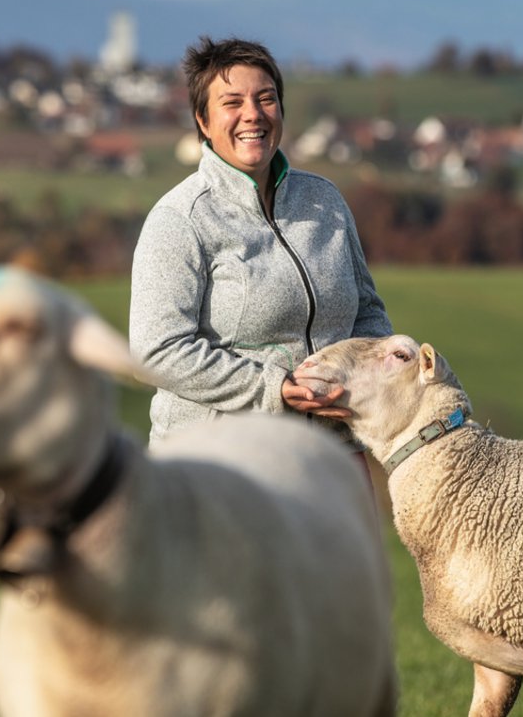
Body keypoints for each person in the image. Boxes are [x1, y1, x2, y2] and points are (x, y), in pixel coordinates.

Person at [129, 35, 392, 459]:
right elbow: (156, 351)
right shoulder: (180, 219)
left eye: (266, 98)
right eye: (231, 103)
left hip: (331, 455)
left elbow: (367, 313)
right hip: (217, 462)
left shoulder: (325, 202)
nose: (253, 115)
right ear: (202, 120)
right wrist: (273, 388)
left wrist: (377, 379)